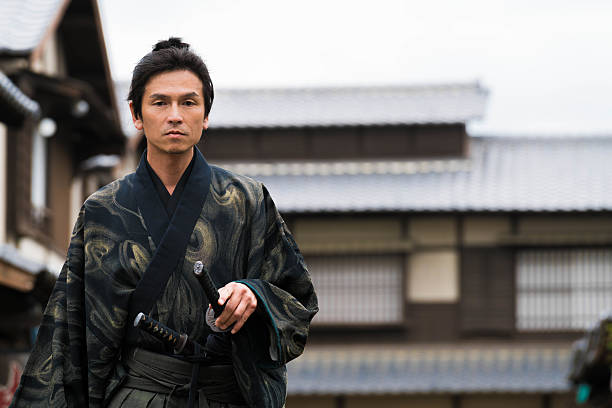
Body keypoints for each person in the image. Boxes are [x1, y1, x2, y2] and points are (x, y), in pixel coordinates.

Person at [10, 37, 318, 408]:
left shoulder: (246, 200)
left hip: (225, 396)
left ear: (205, 114)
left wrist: (255, 295)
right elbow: (69, 331)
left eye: (189, 102)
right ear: (136, 114)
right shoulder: (103, 210)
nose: (175, 115)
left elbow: (297, 298)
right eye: (160, 102)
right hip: (138, 396)